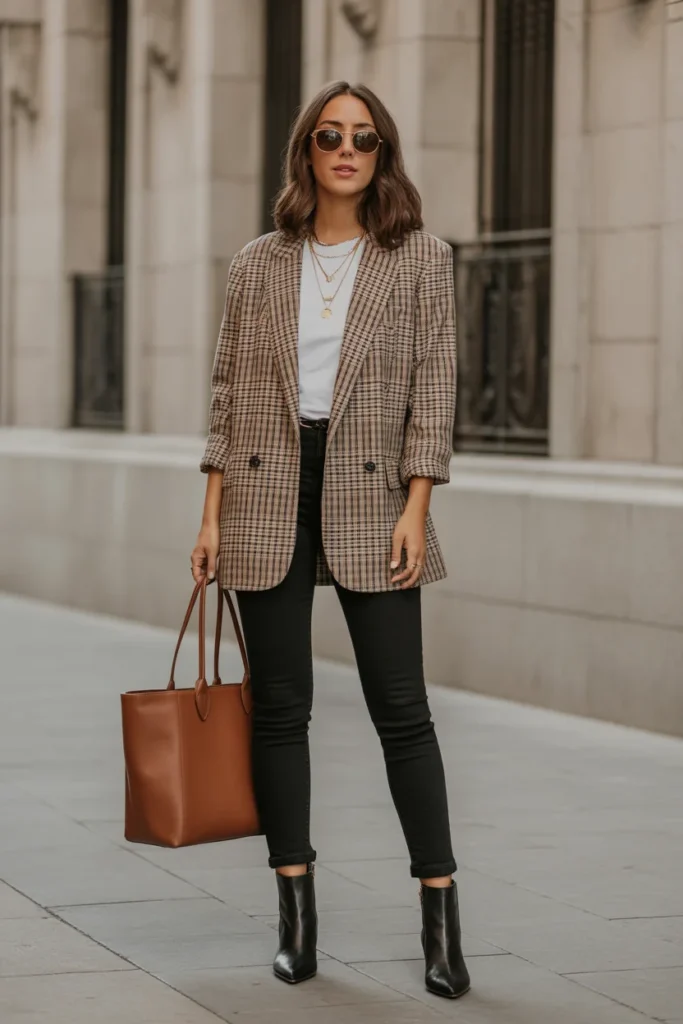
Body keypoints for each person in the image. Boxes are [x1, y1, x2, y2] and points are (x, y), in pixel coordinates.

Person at [191, 80, 469, 1001]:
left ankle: (438, 919)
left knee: (403, 711)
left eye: (362, 138)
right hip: (269, 491)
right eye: (327, 136)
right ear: (304, 152)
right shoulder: (257, 263)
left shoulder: (420, 258)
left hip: (372, 494)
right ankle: (296, 916)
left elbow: (434, 388)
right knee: (279, 712)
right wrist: (210, 514)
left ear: (382, 153)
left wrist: (416, 504)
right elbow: (228, 394)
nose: (345, 150)